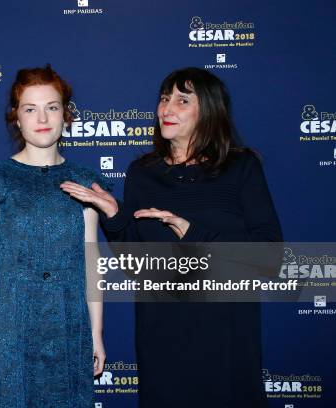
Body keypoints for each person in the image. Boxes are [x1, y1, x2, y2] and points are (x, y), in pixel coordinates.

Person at [61, 67, 282, 407]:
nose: (166, 109)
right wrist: (114, 215)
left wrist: (191, 231)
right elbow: (136, 265)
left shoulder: (241, 167)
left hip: (226, 336)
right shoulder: (143, 173)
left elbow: (269, 258)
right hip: (162, 334)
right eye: (164, 99)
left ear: (208, 110)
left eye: (182, 100)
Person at [0, 65, 106, 407]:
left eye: (52, 107)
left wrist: (95, 334)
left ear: (66, 115)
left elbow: (91, 263)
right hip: (4, 329)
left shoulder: (85, 182)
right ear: (16, 118)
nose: (43, 117)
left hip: (67, 328)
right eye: (30, 108)